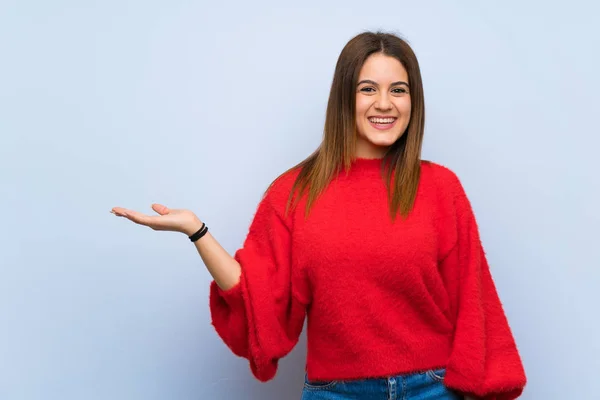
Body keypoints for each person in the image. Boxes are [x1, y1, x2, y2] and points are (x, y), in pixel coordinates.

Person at [112, 31, 527, 400]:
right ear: (345, 96)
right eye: (368, 88)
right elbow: (259, 302)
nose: (384, 103)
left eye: (398, 90)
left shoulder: (441, 188)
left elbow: (475, 305)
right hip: (336, 393)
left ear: (413, 100)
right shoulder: (293, 193)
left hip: (434, 389)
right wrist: (196, 231)